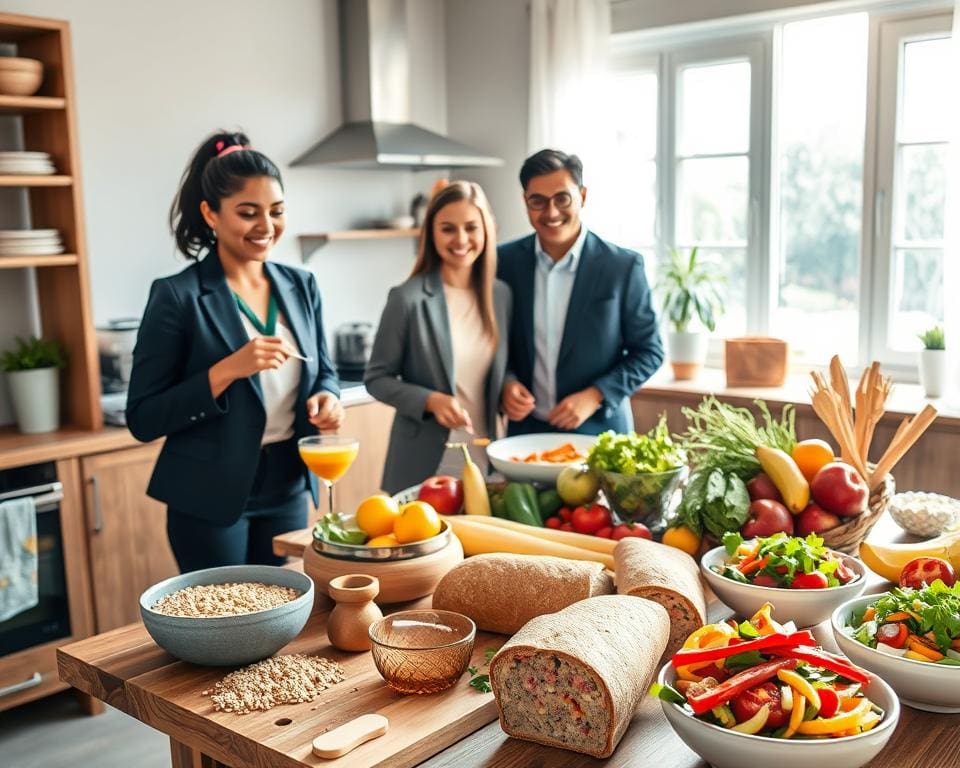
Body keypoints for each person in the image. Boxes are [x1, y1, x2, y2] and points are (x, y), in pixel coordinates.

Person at [126, 131, 343, 572]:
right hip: (208, 496)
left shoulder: (301, 285)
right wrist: (226, 370)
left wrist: (329, 397)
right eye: (248, 213)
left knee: (282, 619)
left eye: (276, 212)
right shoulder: (176, 296)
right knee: (222, 629)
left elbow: (325, 371)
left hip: (287, 484)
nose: (266, 227)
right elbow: (144, 417)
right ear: (210, 213)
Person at [497, 148, 663, 436]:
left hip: (601, 432)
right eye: (538, 201)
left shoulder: (622, 266)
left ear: (582, 196)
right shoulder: (503, 262)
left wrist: (596, 394)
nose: (551, 212)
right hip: (524, 434)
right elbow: (491, 339)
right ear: (526, 202)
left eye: (562, 198)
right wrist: (506, 381)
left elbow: (649, 351)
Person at [365, 181, 511, 493]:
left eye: (471, 227)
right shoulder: (407, 298)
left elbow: (495, 367)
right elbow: (377, 378)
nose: (461, 239)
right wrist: (430, 400)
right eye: (448, 228)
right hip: (425, 465)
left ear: (486, 230)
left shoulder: (501, 296)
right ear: (431, 232)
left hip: (486, 461)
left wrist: (511, 386)